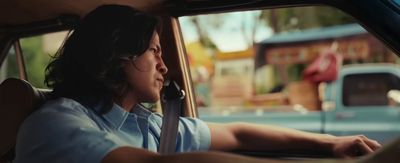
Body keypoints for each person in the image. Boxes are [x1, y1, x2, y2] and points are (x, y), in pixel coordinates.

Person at [15, 4, 381, 163]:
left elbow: (238, 135)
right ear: (119, 55)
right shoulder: (57, 125)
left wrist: (331, 143)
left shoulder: (149, 125)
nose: (164, 66)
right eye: (154, 52)